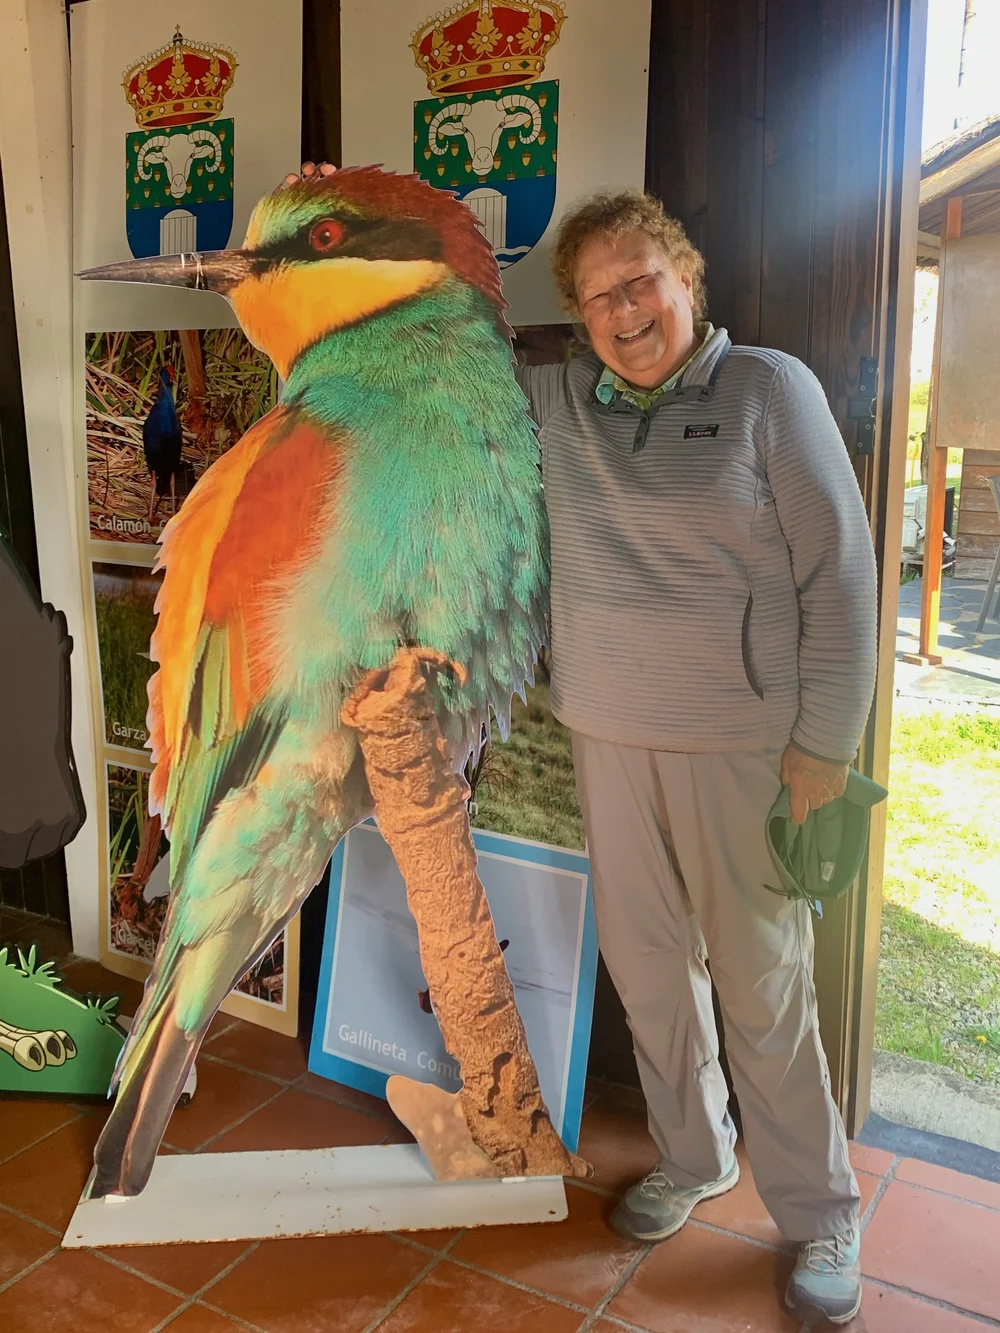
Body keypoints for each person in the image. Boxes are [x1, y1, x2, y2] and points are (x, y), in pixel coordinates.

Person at [515, 190, 877, 1328]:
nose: (625, 310)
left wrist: (824, 746)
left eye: (642, 282)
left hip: (744, 751)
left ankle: (820, 1211)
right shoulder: (556, 404)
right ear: (575, 316)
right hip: (605, 735)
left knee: (763, 985)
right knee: (647, 965)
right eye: (598, 294)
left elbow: (844, 580)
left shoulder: (768, 391)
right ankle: (693, 1151)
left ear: (686, 280)